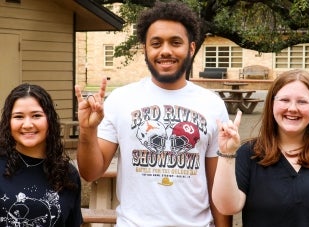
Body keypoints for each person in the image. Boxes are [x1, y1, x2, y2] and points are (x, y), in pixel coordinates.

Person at [75, 1, 232, 226]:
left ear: (191, 48)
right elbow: (91, 173)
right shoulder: (121, 99)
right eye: (156, 43)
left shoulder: (212, 105)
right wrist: (88, 130)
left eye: (175, 42)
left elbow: (217, 186)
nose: (165, 51)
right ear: (145, 50)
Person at [212, 69, 309, 226]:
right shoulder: (250, 153)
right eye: (285, 100)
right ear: (272, 103)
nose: (292, 108)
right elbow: (227, 207)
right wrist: (226, 153)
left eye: (302, 101)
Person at [0, 83, 83, 226]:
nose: (27, 124)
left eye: (36, 115)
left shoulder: (68, 175)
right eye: (19, 116)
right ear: (9, 122)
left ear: (49, 120)